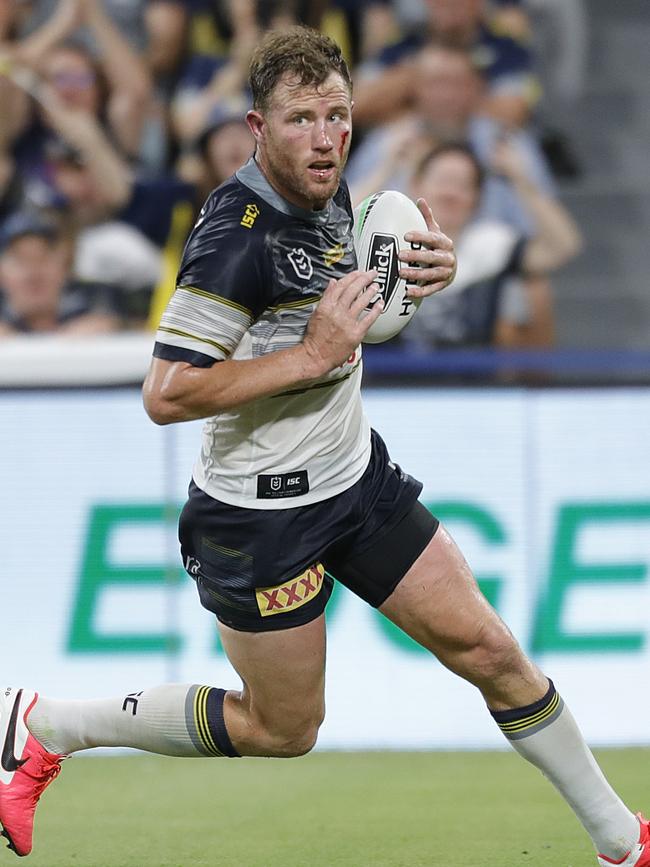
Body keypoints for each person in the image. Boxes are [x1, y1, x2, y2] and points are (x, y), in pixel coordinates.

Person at [0, 27, 647, 867]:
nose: (326, 135)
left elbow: (364, 287)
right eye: (301, 118)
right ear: (257, 128)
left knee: (491, 650)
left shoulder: (340, 188)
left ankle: (621, 840)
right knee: (283, 729)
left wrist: (421, 274)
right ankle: (48, 724)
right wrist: (307, 357)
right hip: (256, 515)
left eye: (337, 114)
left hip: (353, 478)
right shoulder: (234, 241)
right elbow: (167, 392)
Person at [400, 140, 581, 349]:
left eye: (462, 185)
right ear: (415, 185)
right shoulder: (391, 236)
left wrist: (520, 179)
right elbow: (351, 247)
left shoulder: (492, 244)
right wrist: (384, 169)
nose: (450, 193)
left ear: (477, 199)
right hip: (389, 371)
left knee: (537, 289)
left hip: (473, 374)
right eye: (442, 181)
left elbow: (563, 246)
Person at [0, 210, 120, 336]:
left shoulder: (97, 302)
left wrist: (113, 328)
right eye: (21, 261)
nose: (33, 273)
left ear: (66, 266)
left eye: (43, 258)